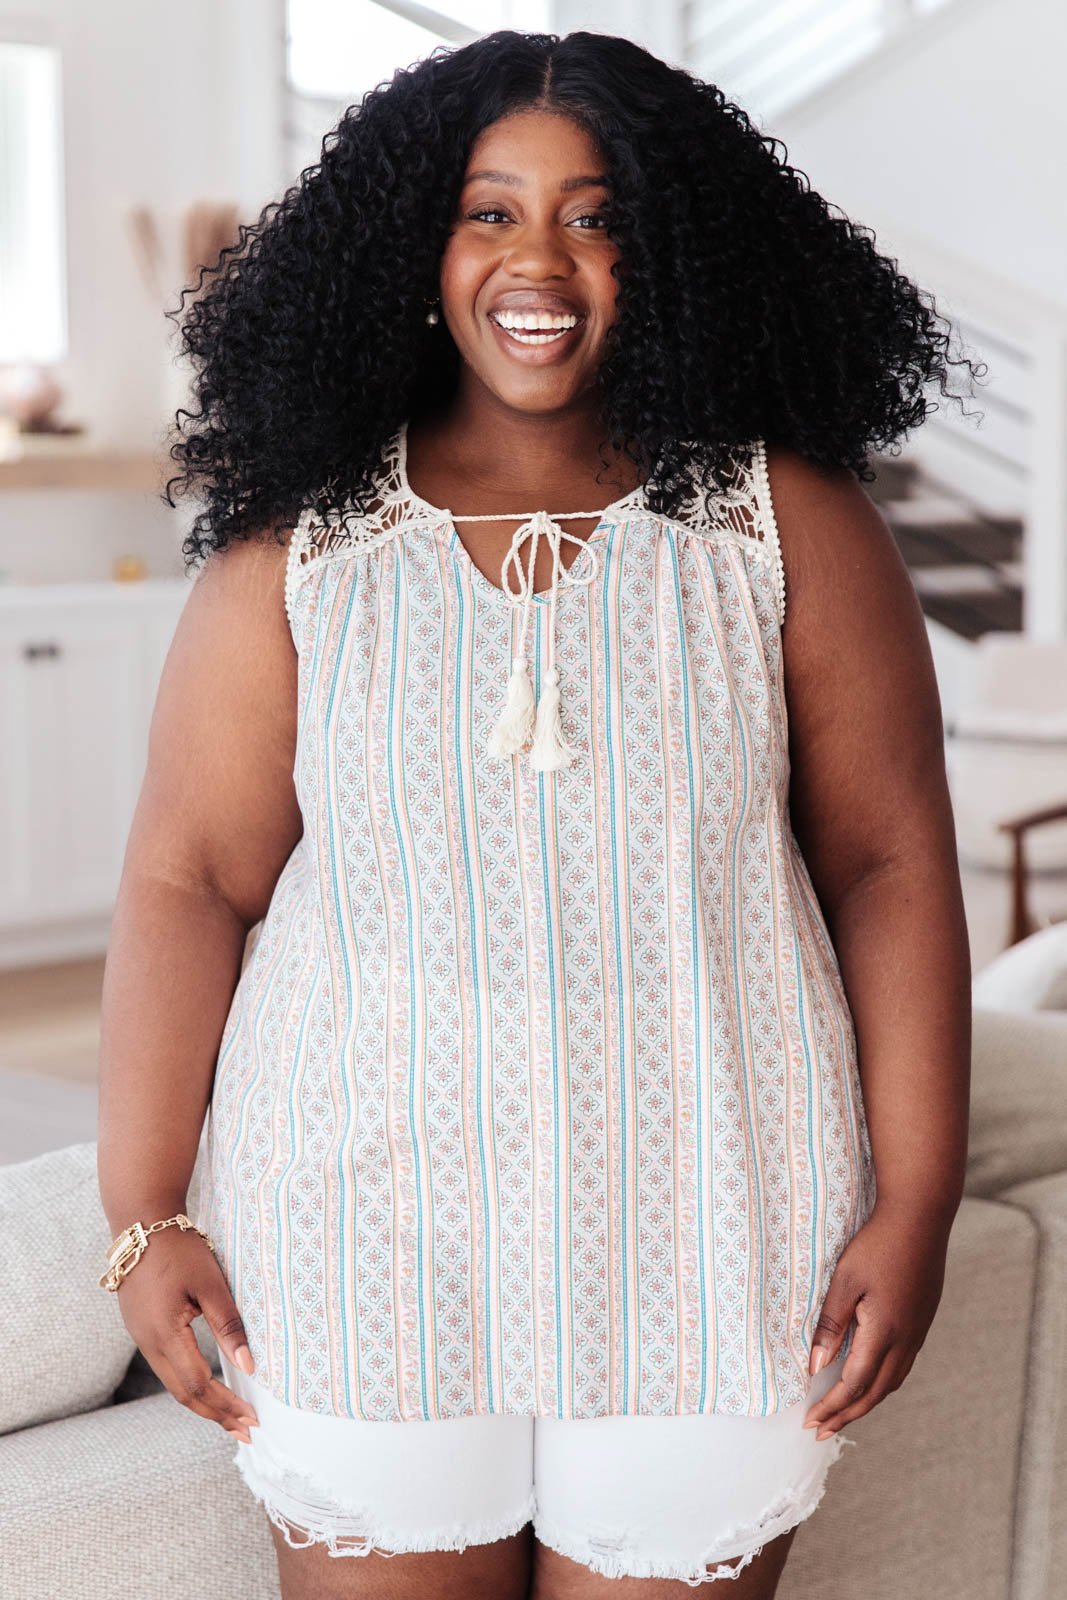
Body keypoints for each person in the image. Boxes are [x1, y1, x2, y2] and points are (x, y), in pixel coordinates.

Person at [97, 28, 974, 1599]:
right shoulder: (303, 549)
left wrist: (916, 1200)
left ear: (679, 251)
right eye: (488, 211)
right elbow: (189, 879)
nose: (540, 260)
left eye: (598, 216)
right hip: (357, 1228)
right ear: (410, 248)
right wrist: (142, 1210)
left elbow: (891, 864)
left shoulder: (785, 527)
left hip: (721, 1217)